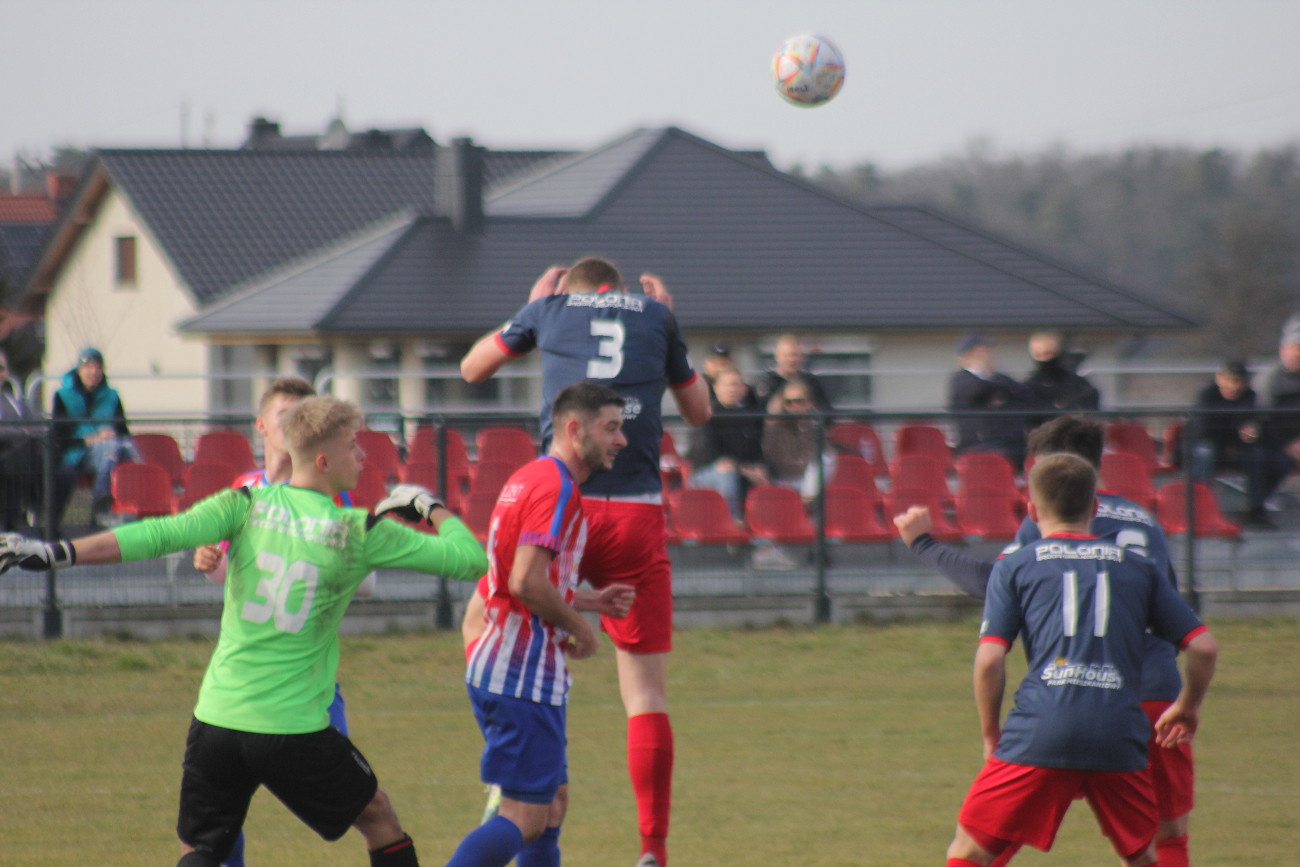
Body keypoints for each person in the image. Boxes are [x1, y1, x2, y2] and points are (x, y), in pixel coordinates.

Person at [0, 395, 490, 867]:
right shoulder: (357, 529)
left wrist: (57, 552)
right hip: (290, 728)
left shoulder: (245, 502)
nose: (362, 457)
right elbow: (471, 560)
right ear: (323, 460)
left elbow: (156, 535)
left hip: (218, 717)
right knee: (380, 819)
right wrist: (430, 507)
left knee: (202, 849)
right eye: (352, 447)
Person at [460, 257, 712, 867]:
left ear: (566, 291)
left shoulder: (549, 308)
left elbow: (472, 369)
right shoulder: (655, 315)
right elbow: (702, 412)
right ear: (623, 290)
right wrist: (670, 322)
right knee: (645, 693)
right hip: (633, 512)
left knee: (489, 614)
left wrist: (530, 308)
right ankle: (652, 847)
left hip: (562, 498)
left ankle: (514, 773)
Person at [895, 416, 1201, 867]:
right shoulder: (1145, 522)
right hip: (1154, 692)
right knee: (1165, 835)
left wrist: (922, 542)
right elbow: (1181, 622)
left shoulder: (1049, 520)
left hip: (1066, 696)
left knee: (992, 832)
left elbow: (990, 580)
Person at [191, 376, 368, 867]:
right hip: (246, 683)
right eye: (285, 412)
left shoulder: (331, 493)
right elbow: (231, 578)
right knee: (225, 815)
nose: (293, 421)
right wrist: (211, 561)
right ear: (262, 426)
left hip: (305, 684)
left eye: (302, 412)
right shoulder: (244, 491)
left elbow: (362, 578)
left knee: (360, 806)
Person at [448, 382, 627, 867]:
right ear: (574, 429)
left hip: (509, 666)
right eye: (611, 427)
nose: (621, 440)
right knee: (525, 816)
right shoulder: (557, 489)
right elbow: (526, 581)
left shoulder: (531, 477)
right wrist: (582, 628)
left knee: (552, 806)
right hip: (521, 674)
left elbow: (520, 579)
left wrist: (590, 601)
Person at [687, 367, 767, 519]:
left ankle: (766, 533)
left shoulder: (749, 417)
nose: (732, 389)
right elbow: (706, 453)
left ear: (743, 389)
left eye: (736, 384)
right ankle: (732, 522)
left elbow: (756, 452)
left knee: (765, 476)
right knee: (726, 473)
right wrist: (740, 468)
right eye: (728, 384)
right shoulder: (706, 414)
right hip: (705, 473)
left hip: (740, 470)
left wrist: (759, 467)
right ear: (716, 388)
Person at [948, 336, 1036, 469]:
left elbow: (1024, 394)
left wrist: (998, 389)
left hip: (1013, 443)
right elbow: (977, 390)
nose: (989, 355)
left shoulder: (1000, 378)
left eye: (988, 351)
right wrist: (994, 387)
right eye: (982, 352)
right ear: (968, 355)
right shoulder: (960, 379)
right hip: (980, 444)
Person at [1251, 318, 1300, 522]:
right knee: (1272, 462)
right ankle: (1255, 508)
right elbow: (1263, 419)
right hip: (1276, 444)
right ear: (1283, 351)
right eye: (1295, 348)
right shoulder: (1269, 380)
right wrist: (1287, 445)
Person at [0, 349, 39, 530]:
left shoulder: (13, 403)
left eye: (1, 368)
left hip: (15, 463)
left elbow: (37, 426)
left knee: (63, 472)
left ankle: (18, 524)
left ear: (7, 373)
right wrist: (20, 432)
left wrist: (23, 432)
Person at [1023, 331, 1099, 413]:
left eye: (1048, 353)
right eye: (1039, 354)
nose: (1044, 358)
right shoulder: (1029, 388)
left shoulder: (1080, 386)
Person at [753, 334, 832, 412]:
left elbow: (825, 410)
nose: (791, 360)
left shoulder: (810, 381)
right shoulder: (768, 382)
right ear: (777, 356)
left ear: (802, 356)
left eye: (795, 355)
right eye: (786, 355)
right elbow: (761, 413)